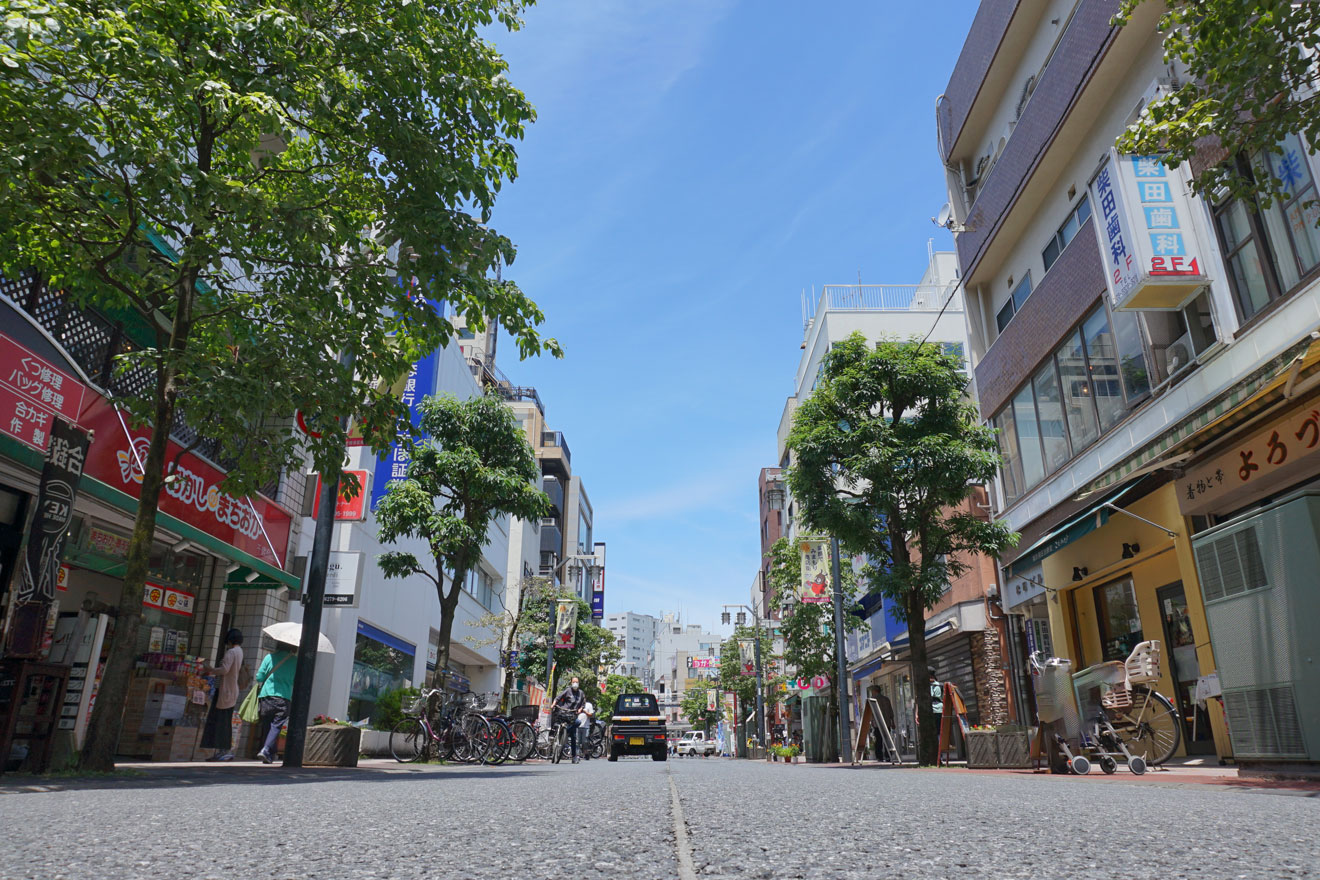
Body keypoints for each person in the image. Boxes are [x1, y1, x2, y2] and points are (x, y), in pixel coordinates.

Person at [200, 629, 244, 761]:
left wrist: (210, 669)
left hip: (225, 691)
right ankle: (223, 751)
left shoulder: (231, 652)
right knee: (224, 721)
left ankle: (223, 751)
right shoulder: (240, 651)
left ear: (229, 640)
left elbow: (224, 670)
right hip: (231, 690)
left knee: (221, 721)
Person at [255, 643, 297, 764]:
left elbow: (259, 677)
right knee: (276, 726)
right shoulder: (295, 661)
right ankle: (266, 749)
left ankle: (270, 755)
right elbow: (296, 679)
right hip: (283, 697)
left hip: (266, 695)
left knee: (267, 725)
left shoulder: (269, 657)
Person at [551, 675, 586, 763]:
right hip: (564, 713)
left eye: (577, 682)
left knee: (576, 729)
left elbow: (583, 704)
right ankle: (560, 735)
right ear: (571, 683)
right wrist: (553, 704)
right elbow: (558, 698)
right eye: (574, 682)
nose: (575, 683)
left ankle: (574, 756)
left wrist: (580, 709)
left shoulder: (581, 693)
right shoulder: (567, 691)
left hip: (573, 716)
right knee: (558, 725)